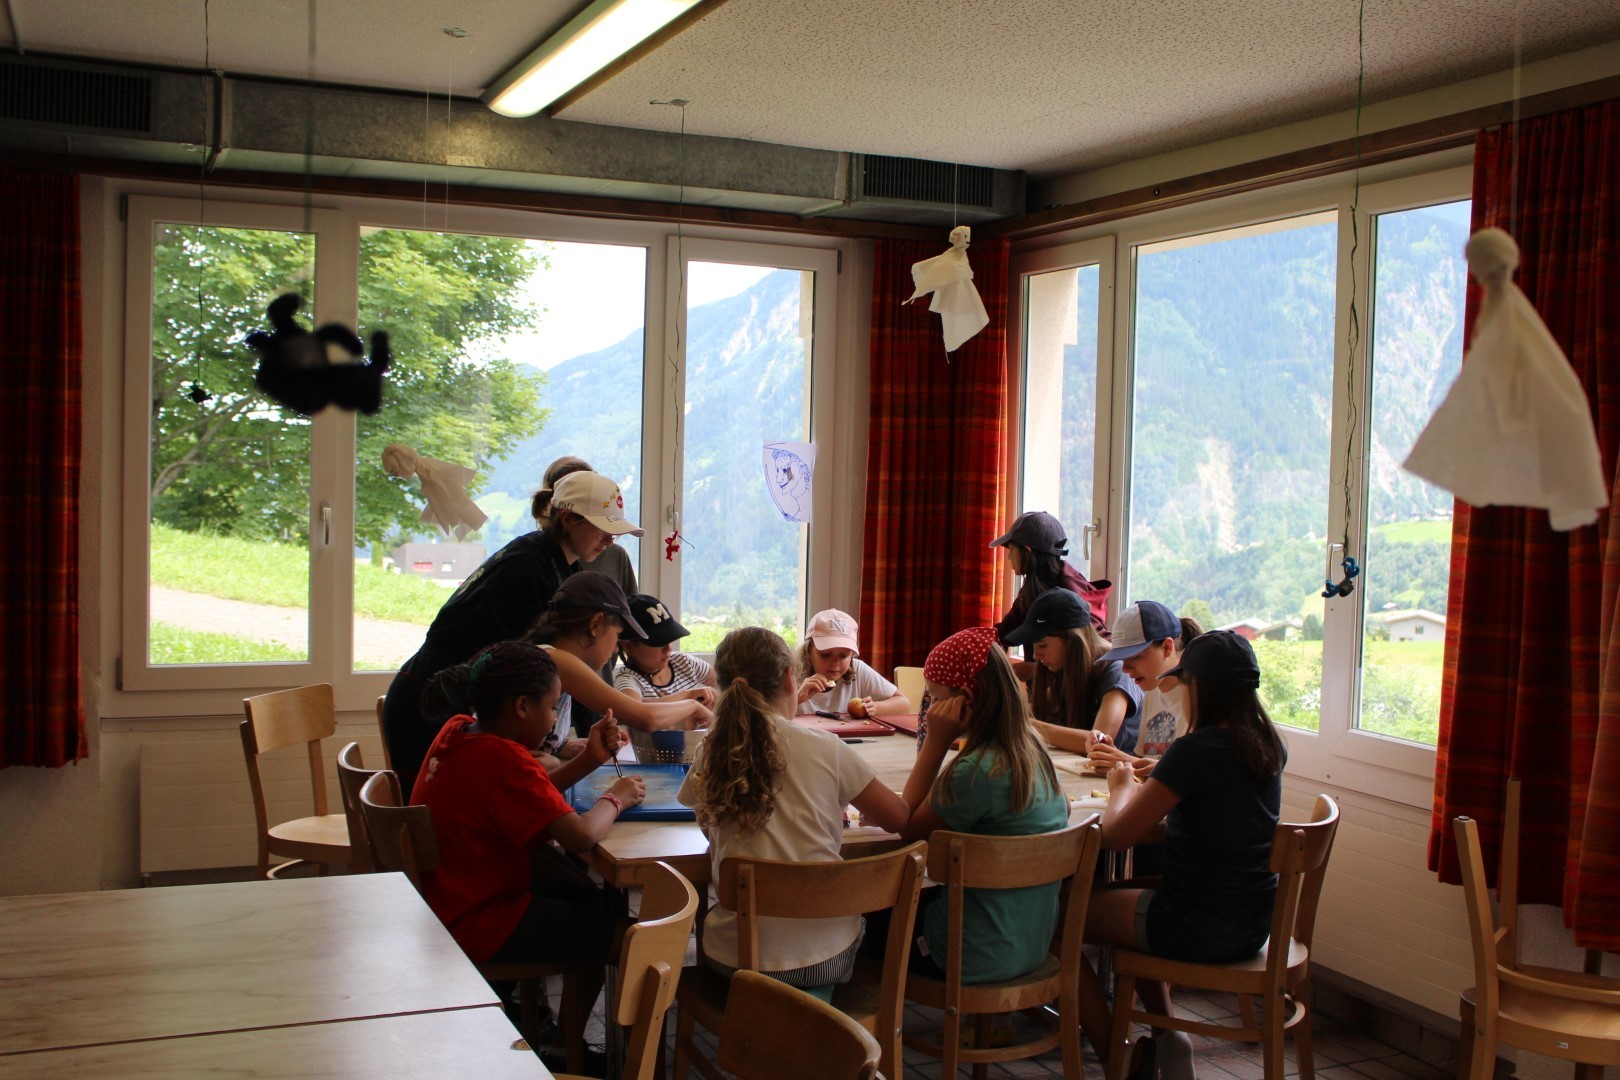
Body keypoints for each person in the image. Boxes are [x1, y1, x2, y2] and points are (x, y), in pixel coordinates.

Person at [1076, 630, 1287, 1079]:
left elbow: (1116, 835)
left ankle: (1120, 1060)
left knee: (1061, 920)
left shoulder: (1193, 752)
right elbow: (1216, 790)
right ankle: (1169, 1039)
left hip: (1197, 924)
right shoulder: (1266, 744)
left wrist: (1122, 786)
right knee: (1121, 896)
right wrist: (1162, 772)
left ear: (1200, 689)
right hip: (1253, 921)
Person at [383, 469, 642, 799]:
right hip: (432, 702)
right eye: (603, 529)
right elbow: (516, 671)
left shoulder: (559, 563)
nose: (610, 540)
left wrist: (559, 746)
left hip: (455, 700)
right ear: (567, 520)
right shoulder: (527, 569)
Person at [678, 627, 911, 993]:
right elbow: (898, 818)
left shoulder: (710, 751)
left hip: (734, 959)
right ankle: (823, 1018)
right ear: (790, 678)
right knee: (862, 926)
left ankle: (771, 1018)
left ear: (721, 686)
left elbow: (709, 829)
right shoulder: (824, 747)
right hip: (823, 958)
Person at [410, 641, 646, 1000]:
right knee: (630, 938)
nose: (553, 719)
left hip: (444, 904)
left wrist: (589, 759)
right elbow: (580, 836)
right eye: (552, 707)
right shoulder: (506, 759)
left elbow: (530, 796)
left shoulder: (458, 730)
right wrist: (616, 798)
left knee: (592, 902)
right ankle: (589, 1036)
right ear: (522, 706)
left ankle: (561, 1029)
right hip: (479, 921)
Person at [880, 627, 1071, 984]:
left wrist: (936, 742)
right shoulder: (1034, 751)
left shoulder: (976, 772)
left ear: (965, 698)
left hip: (966, 954)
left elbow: (907, 826)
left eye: (937, 699)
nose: (931, 710)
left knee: (861, 918)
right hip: (1031, 945)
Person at [523, 574, 710, 767]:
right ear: (595, 624)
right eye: (617, 635)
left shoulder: (550, 657)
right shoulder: (558, 661)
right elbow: (645, 718)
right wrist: (693, 705)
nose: (615, 649)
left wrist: (564, 746)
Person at [1004, 588, 1142, 754]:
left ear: (1071, 641)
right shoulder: (1065, 668)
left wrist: (1027, 723)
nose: (1035, 655)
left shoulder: (1117, 671)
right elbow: (1039, 711)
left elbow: (1099, 742)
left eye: (1042, 645)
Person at [1089, 601, 1202, 777]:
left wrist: (1126, 762)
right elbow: (1145, 761)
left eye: (1135, 657)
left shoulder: (1198, 696)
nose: (1125, 669)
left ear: (1167, 647)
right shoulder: (1152, 690)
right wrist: (1110, 755)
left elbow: (1191, 776)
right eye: (1122, 659)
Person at [990, 510, 1111, 646]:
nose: (1008, 557)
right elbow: (1006, 633)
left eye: (1011, 550)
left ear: (1027, 552)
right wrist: (976, 640)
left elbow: (1102, 644)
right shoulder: (1033, 586)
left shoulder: (1069, 594)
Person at [794, 609, 912, 717]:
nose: (835, 663)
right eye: (826, 655)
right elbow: (781, 721)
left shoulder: (857, 669)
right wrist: (797, 699)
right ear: (808, 651)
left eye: (843, 656)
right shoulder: (791, 675)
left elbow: (904, 704)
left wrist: (874, 708)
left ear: (851, 655)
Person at [613, 593, 717, 708]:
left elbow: (724, 682)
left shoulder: (683, 662)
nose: (669, 648)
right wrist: (688, 696)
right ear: (629, 647)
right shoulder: (628, 681)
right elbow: (635, 710)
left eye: (669, 639)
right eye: (659, 642)